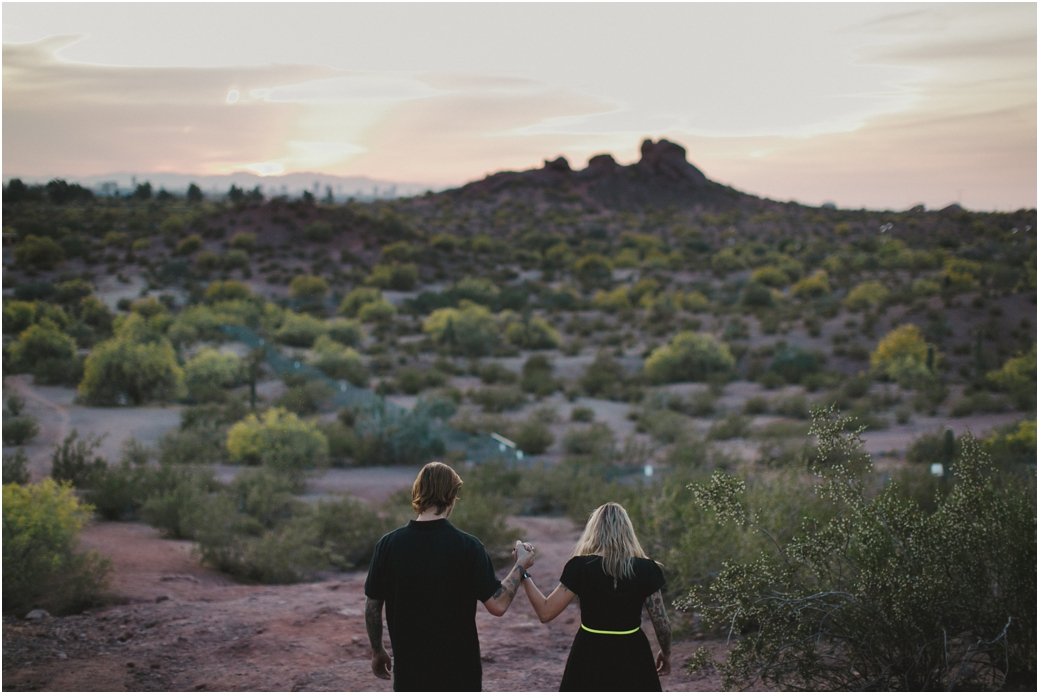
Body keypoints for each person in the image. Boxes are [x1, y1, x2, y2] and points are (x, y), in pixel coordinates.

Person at [364, 461, 535, 691]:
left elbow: (373, 606)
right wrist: (521, 565)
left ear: (418, 493)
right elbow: (498, 604)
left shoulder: (388, 545)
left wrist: (377, 650)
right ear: (451, 496)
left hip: (410, 676)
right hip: (460, 676)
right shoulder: (468, 547)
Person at [520, 502, 671, 691]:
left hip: (588, 653)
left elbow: (545, 612)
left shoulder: (580, 567)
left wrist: (523, 572)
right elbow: (663, 626)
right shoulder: (647, 569)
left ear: (594, 530)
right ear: (627, 530)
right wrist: (666, 653)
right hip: (633, 654)